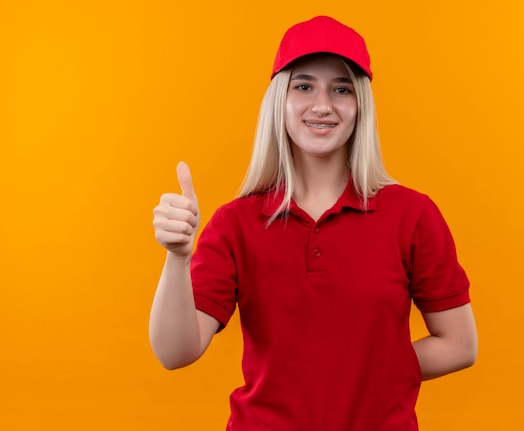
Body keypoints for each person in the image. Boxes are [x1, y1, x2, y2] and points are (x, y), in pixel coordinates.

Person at [150, 15, 477, 431]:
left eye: (341, 89)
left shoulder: (411, 215)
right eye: (303, 86)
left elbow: (460, 345)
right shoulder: (235, 224)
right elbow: (174, 353)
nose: (322, 104)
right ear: (279, 102)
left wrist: (365, 373)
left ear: (361, 105)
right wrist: (177, 257)